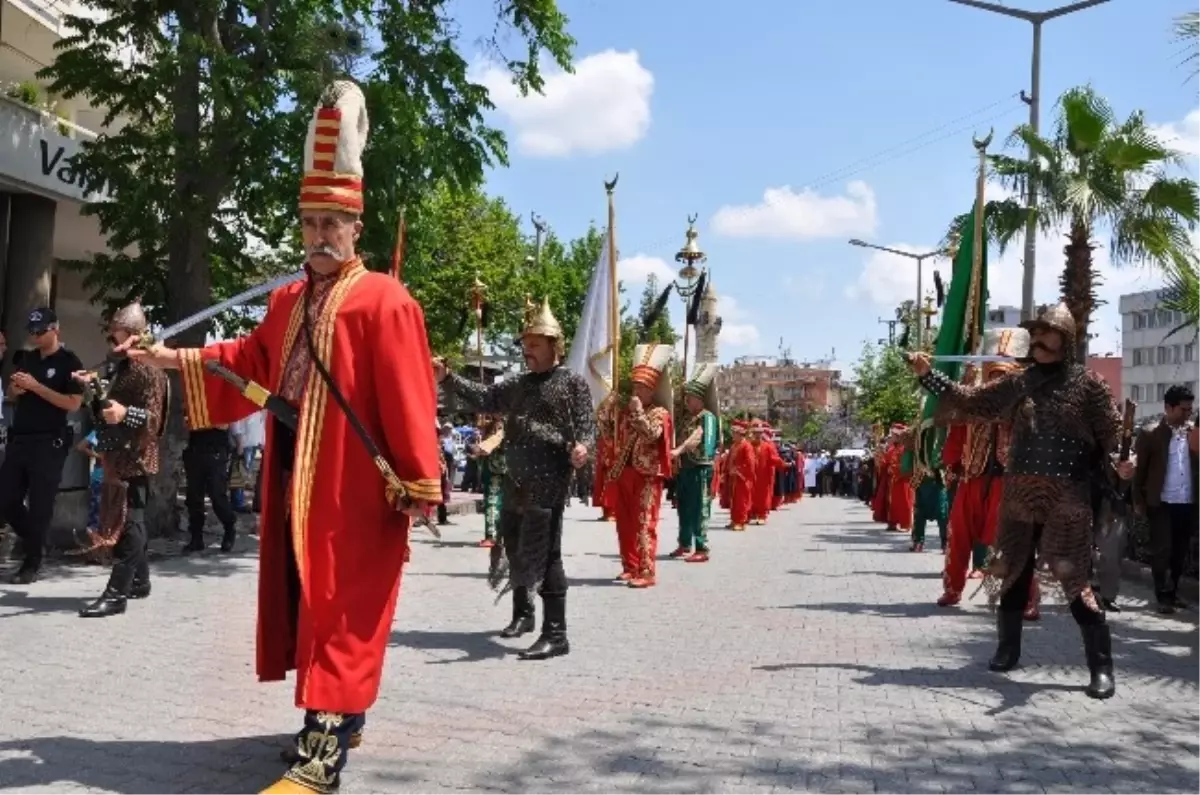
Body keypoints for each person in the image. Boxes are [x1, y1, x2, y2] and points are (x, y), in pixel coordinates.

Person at [120, 80, 443, 793]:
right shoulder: (287, 300)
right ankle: (338, 714)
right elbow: (251, 362)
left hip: (355, 483)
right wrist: (173, 357)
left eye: (333, 222)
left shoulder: (387, 301)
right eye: (310, 223)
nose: (320, 235)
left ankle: (322, 753)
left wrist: (419, 480)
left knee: (342, 604)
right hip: (295, 474)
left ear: (356, 225)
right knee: (307, 600)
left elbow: (410, 394)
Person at [908, 302, 1133, 700]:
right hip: (1019, 494)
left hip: (1067, 494)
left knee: (1074, 580)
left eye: (1048, 334)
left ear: (1064, 340)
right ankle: (1008, 650)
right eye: (1037, 333)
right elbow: (973, 401)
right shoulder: (1019, 383)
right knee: (1012, 573)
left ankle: (1101, 667)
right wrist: (930, 377)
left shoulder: (1089, 386)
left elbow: (1112, 435)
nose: (1040, 340)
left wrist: (1121, 462)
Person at [435, 297, 593, 658]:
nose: (528, 352)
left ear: (555, 346)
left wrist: (583, 447)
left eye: (535, 345)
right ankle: (523, 614)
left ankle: (557, 634)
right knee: (515, 547)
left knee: (547, 554)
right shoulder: (519, 384)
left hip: (549, 481)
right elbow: (486, 397)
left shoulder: (572, 384)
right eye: (525, 346)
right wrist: (448, 377)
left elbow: (586, 428)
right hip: (515, 478)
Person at [936, 331, 1040, 620]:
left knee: (1014, 543)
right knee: (957, 537)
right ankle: (953, 588)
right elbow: (951, 424)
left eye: (1002, 373)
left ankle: (1028, 597)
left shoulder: (1025, 403)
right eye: (992, 372)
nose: (996, 379)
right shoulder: (972, 400)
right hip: (972, 477)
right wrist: (952, 465)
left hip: (1007, 482)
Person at [74, 302, 168, 617]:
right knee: (129, 518)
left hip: (137, 453)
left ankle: (116, 595)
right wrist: (92, 389)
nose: (116, 342)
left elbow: (154, 420)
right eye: (115, 337)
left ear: (134, 334)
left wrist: (126, 412)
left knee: (132, 522)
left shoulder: (149, 366)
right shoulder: (123, 366)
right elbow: (107, 407)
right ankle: (139, 580)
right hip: (118, 449)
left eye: (120, 335)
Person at [0, 308, 84, 584]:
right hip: (20, 439)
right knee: (7, 499)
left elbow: (73, 403)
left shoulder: (69, 362)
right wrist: (16, 389)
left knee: (40, 504)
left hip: (49, 441)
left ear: (55, 328)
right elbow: (12, 394)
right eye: (32, 331)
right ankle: (36, 540)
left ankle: (32, 561)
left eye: (40, 330)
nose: (35, 335)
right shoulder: (27, 359)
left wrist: (37, 388)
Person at [608, 343, 674, 587]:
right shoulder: (626, 412)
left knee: (645, 522)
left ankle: (646, 571)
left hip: (647, 474)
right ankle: (630, 565)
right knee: (624, 522)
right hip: (624, 471)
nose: (635, 391)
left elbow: (652, 435)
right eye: (634, 386)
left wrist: (637, 413)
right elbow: (609, 432)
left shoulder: (660, 412)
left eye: (641, 387)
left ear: (651, 390)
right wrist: (609, 408)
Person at [1131, 384, 1200, 615]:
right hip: (1160, 502)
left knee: (1180, 550)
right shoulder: (1151, 434)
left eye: (1190, 410)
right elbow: (1139, 472)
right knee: (1163, 549)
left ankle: (1174, 592)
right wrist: (1138, 501)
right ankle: (1162, 595)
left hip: (1186, 501)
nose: (1187, 414)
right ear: (1168, 408)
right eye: (1183, 409)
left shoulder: (1193, 433)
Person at [670, 363, 719, 563]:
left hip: (700, 468)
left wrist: (678, 450)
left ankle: (702, 547)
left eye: (689, 398)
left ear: (699, 399)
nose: (687, 401)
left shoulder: (707, 418)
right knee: (683, 507)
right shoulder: (686, 418)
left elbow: (696, 438)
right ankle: (684, 543)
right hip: (684, 468)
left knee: (699, 507)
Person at [182, 420, 239, 553]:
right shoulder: (194, 400)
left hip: (216, 451)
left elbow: (224, 424)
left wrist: (202, 421)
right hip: (195, 449)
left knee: (217, 494)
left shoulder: (220, 401)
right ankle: (196, 538)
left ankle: (229, 527)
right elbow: (186, 422)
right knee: (194, 496)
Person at [472, 413, 506, 548]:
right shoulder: (491, 423)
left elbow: (496, 439)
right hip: (494, 466)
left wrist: (482, 448)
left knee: (493, 501)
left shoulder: (504, 424)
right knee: (495, 501)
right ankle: (499, 535)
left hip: (497, 468)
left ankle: (493, 536)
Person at [749, 419, 784, 525]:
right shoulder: (748, 445)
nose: (757, 435)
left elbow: (774, 458)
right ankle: (752, 513)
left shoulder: (768, 446)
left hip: (764, 476)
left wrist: (783, 464)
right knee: (751, 495)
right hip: (751, 476)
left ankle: (762, 515)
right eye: (755, 433)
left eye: (759, 433)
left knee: (763, 496)